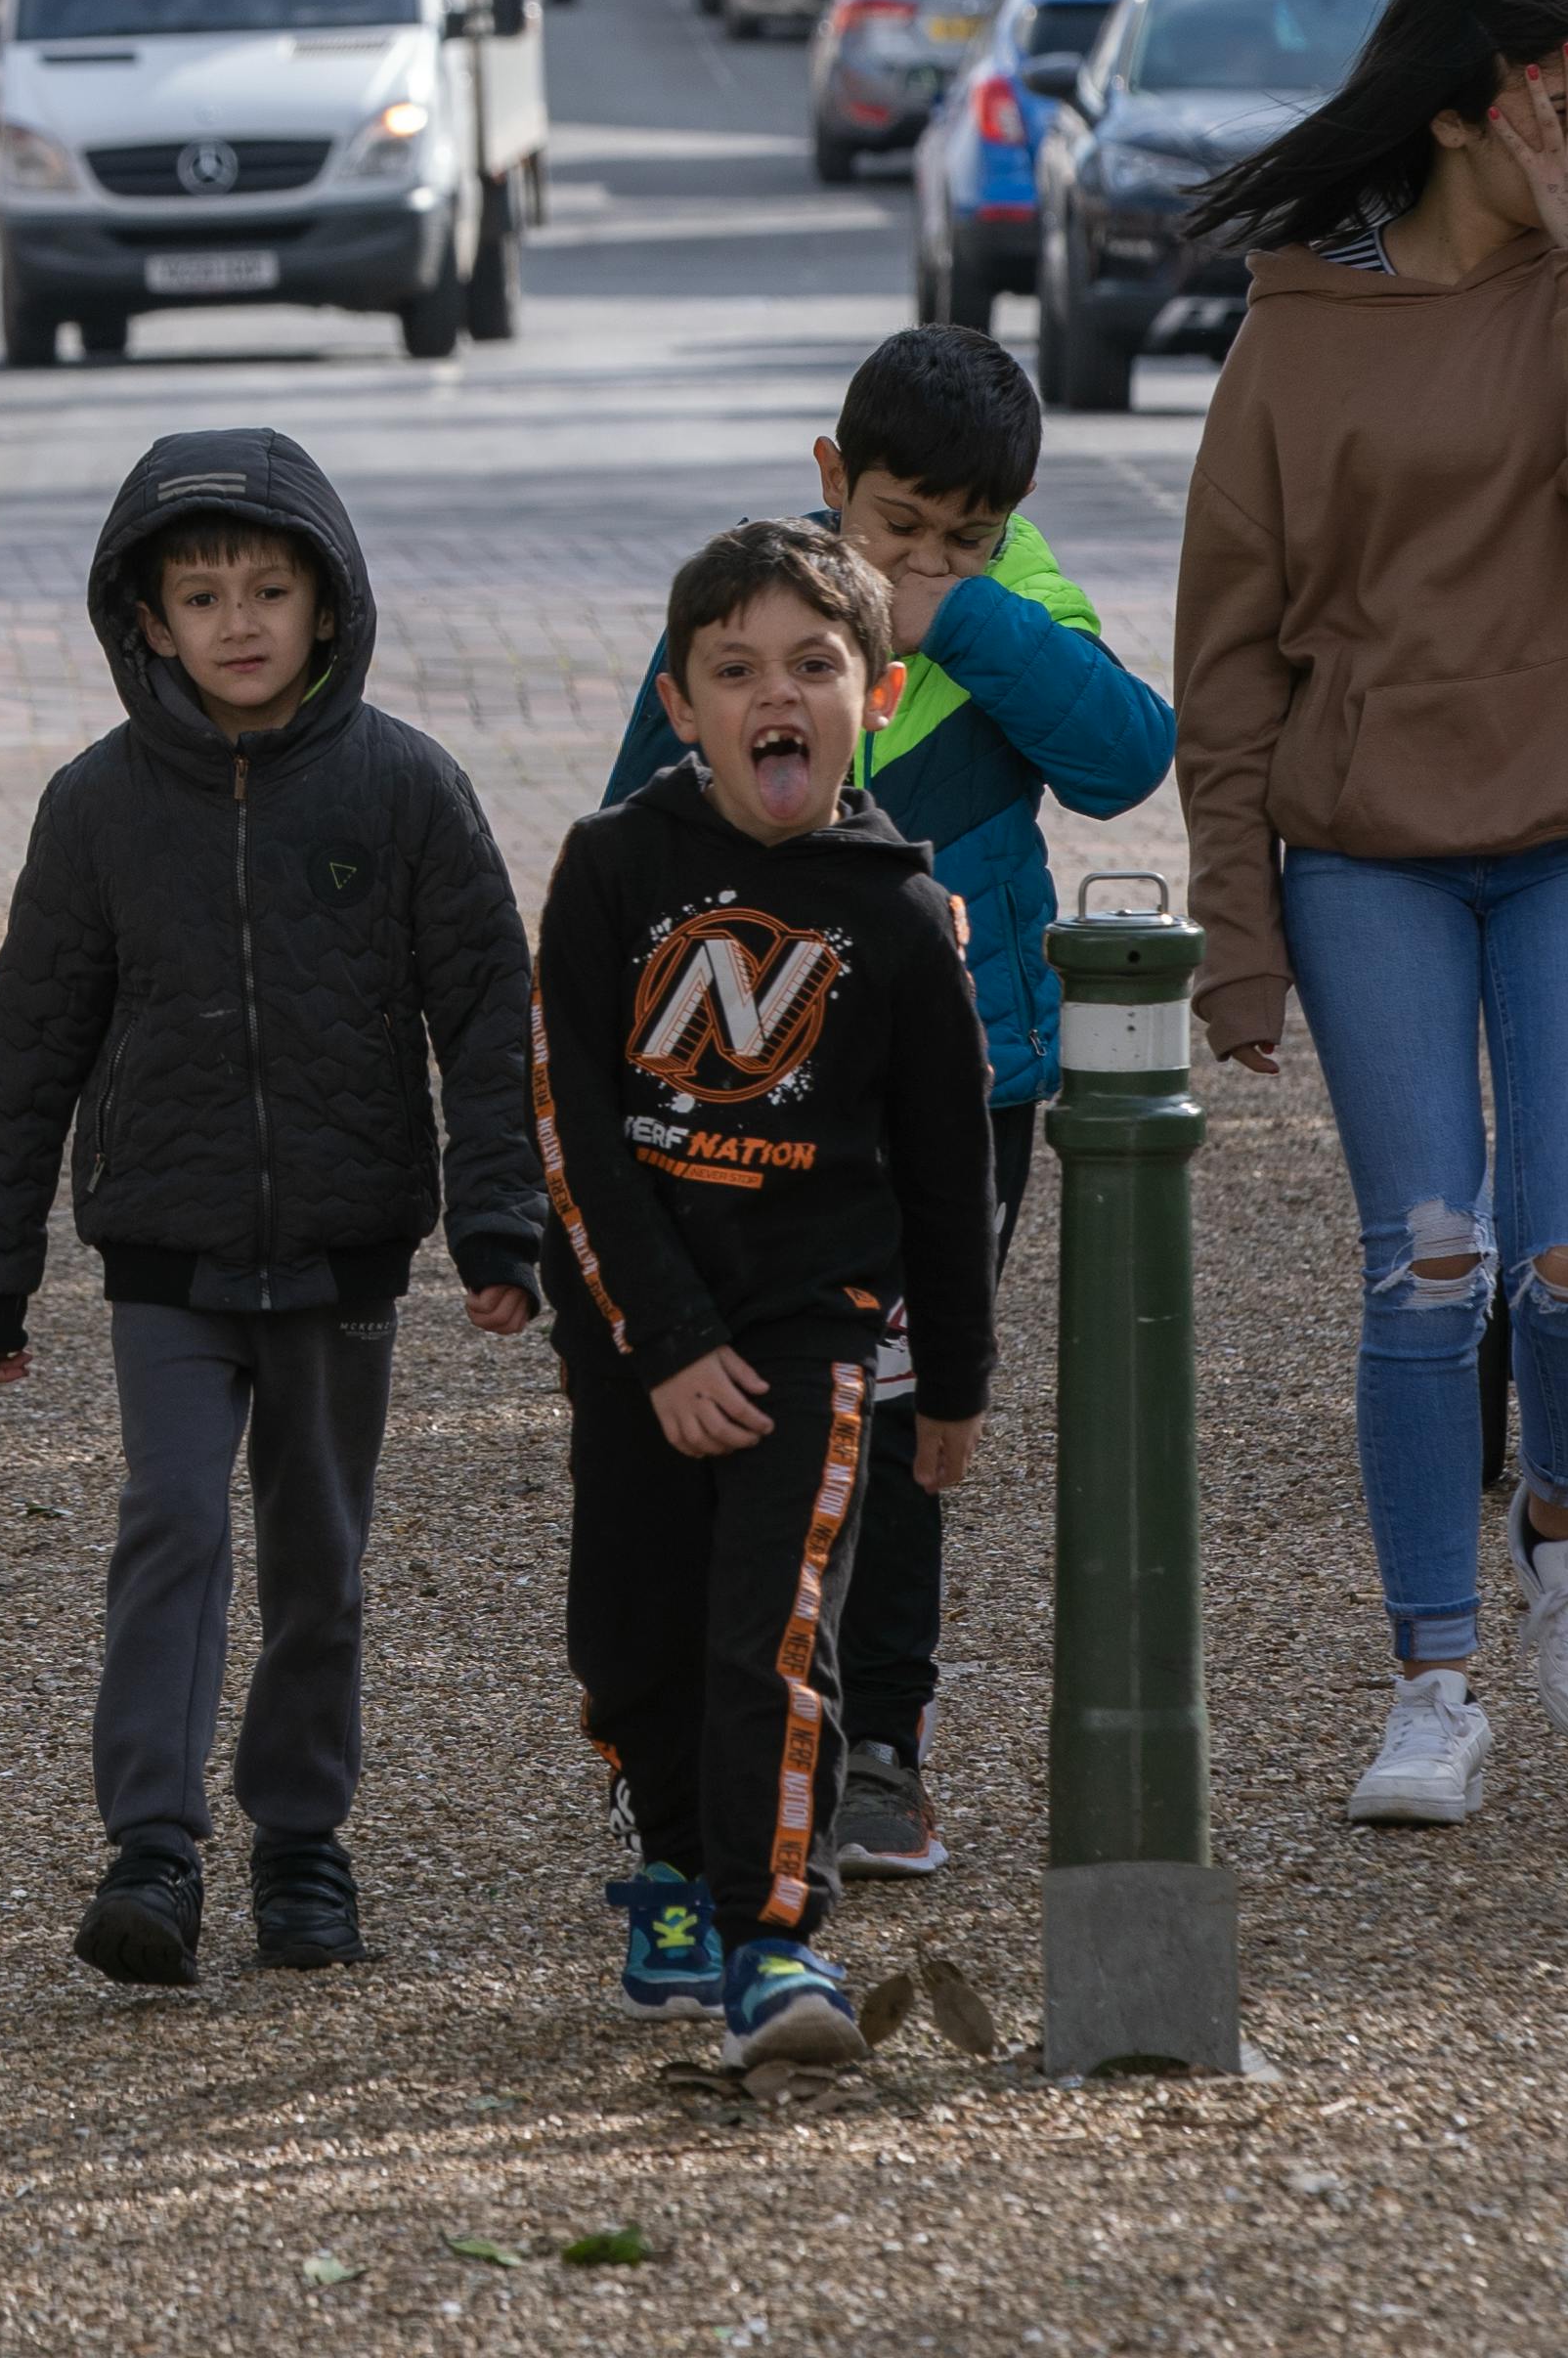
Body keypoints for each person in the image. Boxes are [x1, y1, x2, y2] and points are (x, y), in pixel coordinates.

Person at [1171, 0, 1568, 1828]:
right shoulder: (1304, 323)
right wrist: (1234, 929)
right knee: (1427, 1266)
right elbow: (1229, 646)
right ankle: (1431, 1683)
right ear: (1482, 103)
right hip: (1368, 850)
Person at [0, 431, 544, 1987]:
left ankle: (302, 1845)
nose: (237, 622)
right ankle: (150, 1848)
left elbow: (488, 1012)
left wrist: (500, 1228)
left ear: (329, 605)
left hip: (344, 1243)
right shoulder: (95, 809)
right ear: (144, 619)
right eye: (201, 594)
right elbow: (33, 1043)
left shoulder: (406, 788)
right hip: (165, 1244)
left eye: (269, 588)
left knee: (318, 1548)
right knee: (171, 1517)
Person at [592, 326, 1173, 1882]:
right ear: (832, 479)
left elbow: (1125, 760)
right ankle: (747, 1731)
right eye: (897, 526)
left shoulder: (1014, 605)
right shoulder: (763, 613)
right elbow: (634, 814)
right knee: (771, 1404)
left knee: (914, 1408)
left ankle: (882, 1745)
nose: (921, 561)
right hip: (754, 1088)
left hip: (963, 1088)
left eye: (963, 537)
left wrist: (971, 616)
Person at [535, 519, 1001, 2074]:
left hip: (818, 1328)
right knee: (633, 1640)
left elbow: (951, 1171)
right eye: (735, 671)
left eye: (812, 667)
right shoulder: (611, 868)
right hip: (638, 1326)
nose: (772, 696)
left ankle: (771, 1935)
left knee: (774, 1637)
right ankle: (670, 1862)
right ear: (682, 706)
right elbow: (571, 1127)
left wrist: (951, 1387)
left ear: (877, 694)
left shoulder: (904, 915)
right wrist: (661, 1340)